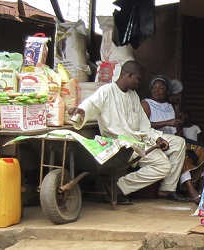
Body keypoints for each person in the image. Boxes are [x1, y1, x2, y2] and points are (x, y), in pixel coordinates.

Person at [70, 61, 187, 204]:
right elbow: (90, 105)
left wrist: (157, 138)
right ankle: (119, 187)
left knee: (179, 143)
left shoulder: (133, 96)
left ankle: (167, 189)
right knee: (163, 166)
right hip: (122, 143)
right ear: (129, 75)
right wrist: (80, 111)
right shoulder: (107, 91)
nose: (140, 83)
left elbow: (144, 125)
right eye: (138, 79)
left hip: (140, 139)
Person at [141, 75, 204, 203]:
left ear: (167, 92)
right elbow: (143, 126)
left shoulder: (169, 106)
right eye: (154, 88)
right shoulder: (146, 104)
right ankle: (190, 191)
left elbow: (176, 128)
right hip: (155, 142)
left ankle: (201, 188)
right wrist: (167, 122)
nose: (157, 90)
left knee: (203, 152)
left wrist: (178, 127)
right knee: (182, 155)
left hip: (173, 140)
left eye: (161, 88)